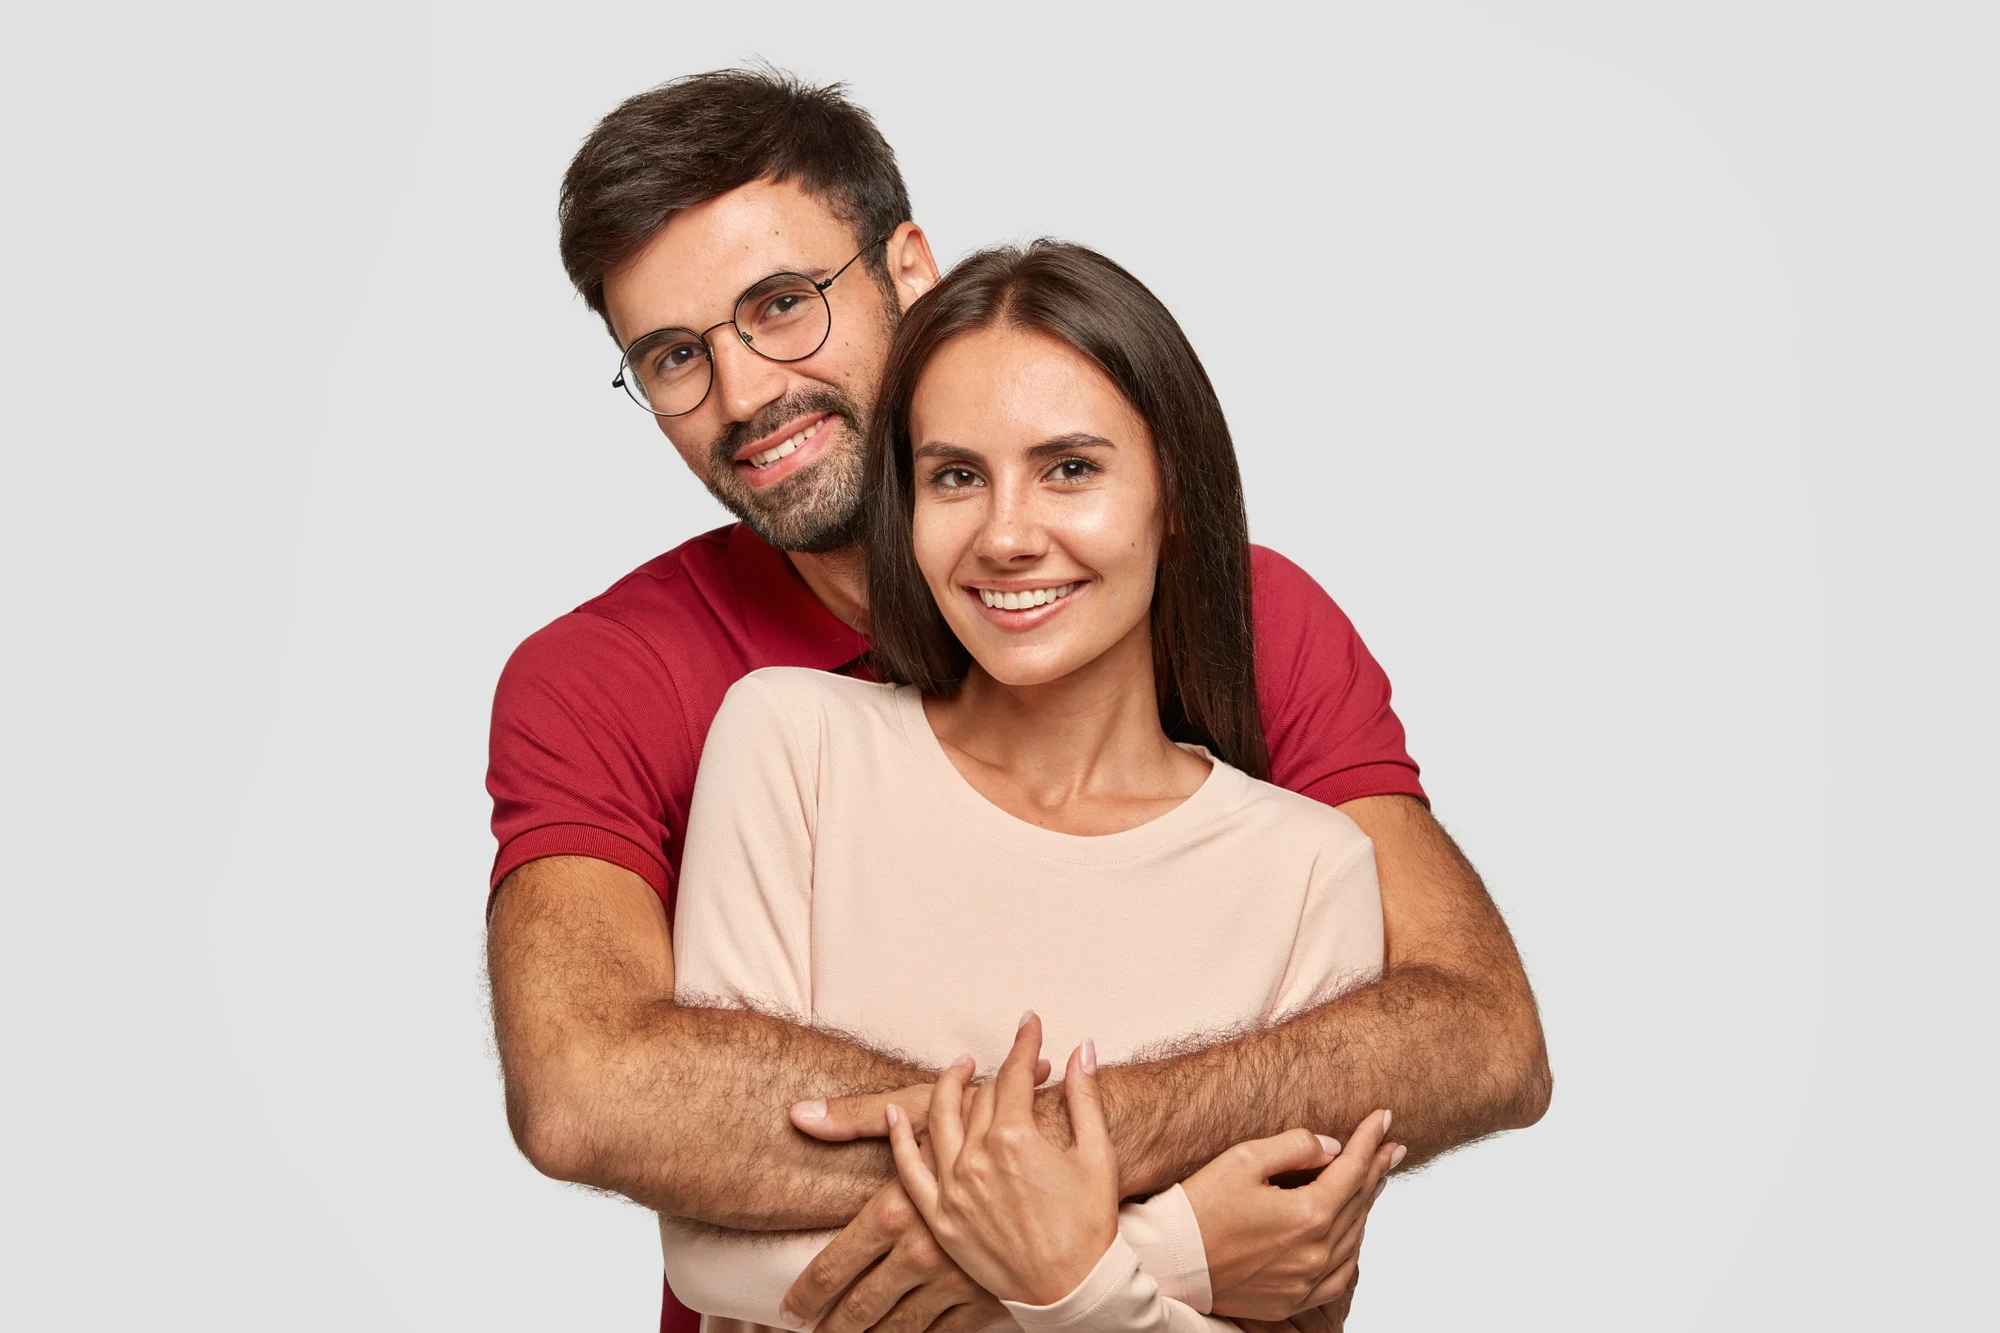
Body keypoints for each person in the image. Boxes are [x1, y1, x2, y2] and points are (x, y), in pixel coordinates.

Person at [484, 67, 1551, 1333]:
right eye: (672, 356)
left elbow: (1474, 1032)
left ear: (909, 266)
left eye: (780, 305)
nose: (746, 393)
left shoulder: (1252, 628)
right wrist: (1141, 1237)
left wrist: (1054, 1188)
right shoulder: (617, 681)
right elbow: (590, 1088)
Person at [660, 241, 1408, 1332]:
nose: (1006, 536)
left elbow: (1293, 1277)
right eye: (954, 475)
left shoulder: (1307, 872)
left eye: (1068, 468)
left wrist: (1078, 1268)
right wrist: (1168, 1255)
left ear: (1173, 501)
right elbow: (719, 1251)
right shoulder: (792, 743)